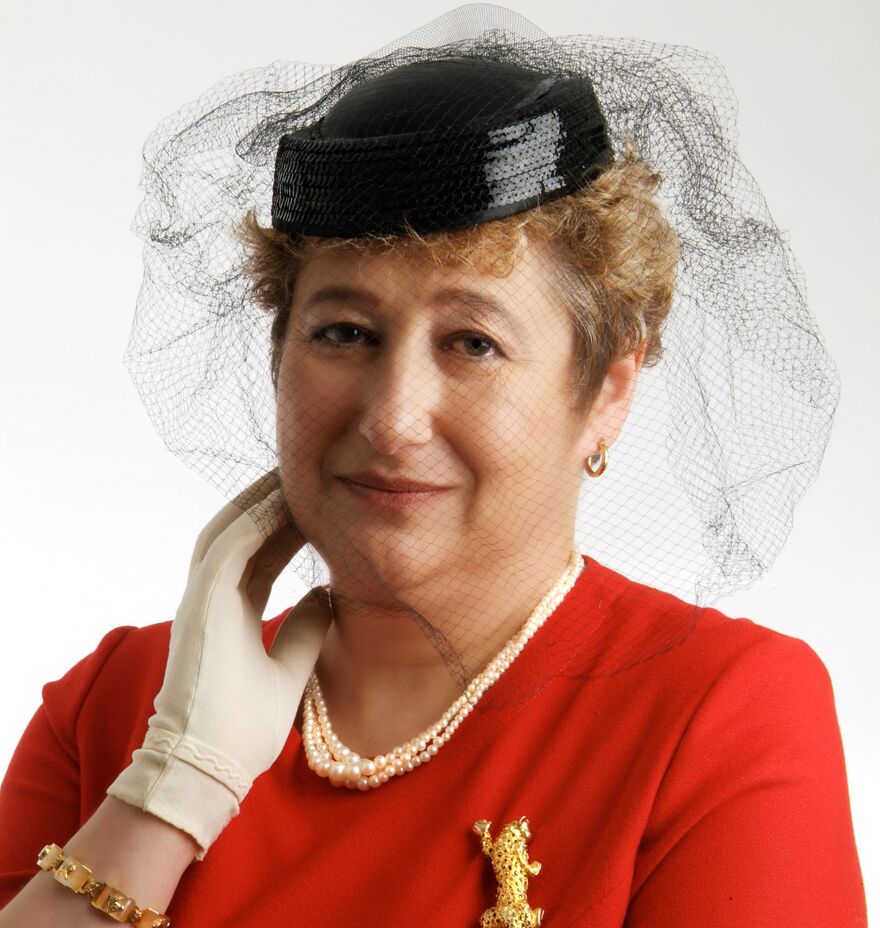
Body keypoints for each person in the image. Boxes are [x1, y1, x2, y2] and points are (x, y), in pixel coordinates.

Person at [0, 6, 867, 926]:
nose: (392, 418)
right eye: (344, 333)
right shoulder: (117, 702)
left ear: (607, 390)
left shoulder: (718, 717)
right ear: (276, 356)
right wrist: (174, 788)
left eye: (473, 343)